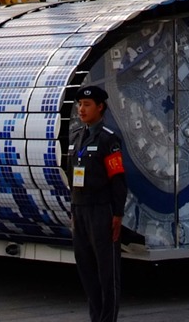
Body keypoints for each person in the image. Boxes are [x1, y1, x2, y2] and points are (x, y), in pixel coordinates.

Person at [66, 84, 127, 322]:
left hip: (102, 212)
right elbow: (72, 177)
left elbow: (118, 179)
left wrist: (118, 213)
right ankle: (96, 318)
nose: (81, 109)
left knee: (107, 273)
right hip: (79, 211)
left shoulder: (108, 141)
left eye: (87, 105)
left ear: (100, 107)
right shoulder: (75, 138)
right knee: (87, 270)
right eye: (80, 104)